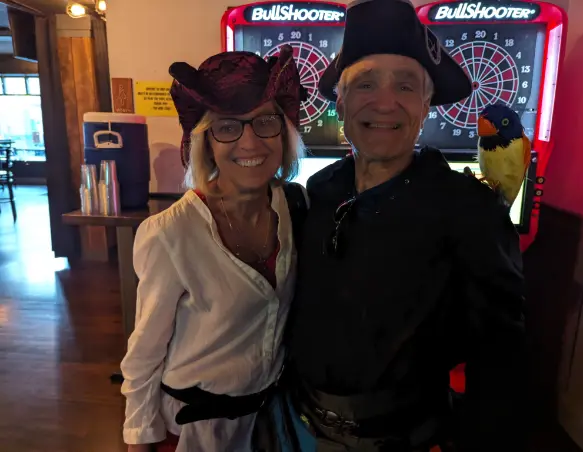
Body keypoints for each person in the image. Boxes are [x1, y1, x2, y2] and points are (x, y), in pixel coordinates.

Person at [276, 0, 527, 451]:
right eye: (365, 83)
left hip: (409, 439)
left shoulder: (470, 210)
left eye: (406, 86)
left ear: (426, 104)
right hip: (298, 428)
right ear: (341, 102)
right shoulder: (321, 190)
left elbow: (500, 353)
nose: (385, 102)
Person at [120, 45, 308, 452]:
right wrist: (139, 442)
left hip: (267, 424)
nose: (250, 142)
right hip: (192, 433)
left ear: (284, 131)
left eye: (265, 122)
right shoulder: (170, 234)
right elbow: (144, 355)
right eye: (227, 127)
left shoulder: (296, 207)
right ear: (205, 141)